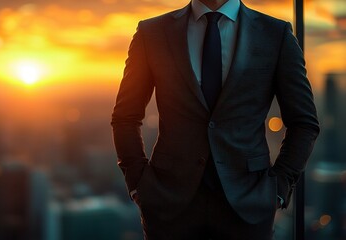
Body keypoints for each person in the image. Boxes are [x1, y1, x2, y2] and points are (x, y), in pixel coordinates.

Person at [111, 0, 320, 239]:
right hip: (168, 203)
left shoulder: (275, 33)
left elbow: (304, 123)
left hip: (248, 205)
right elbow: (125, 117)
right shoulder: (152, 33)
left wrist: (278, 189)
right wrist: (139, 185)